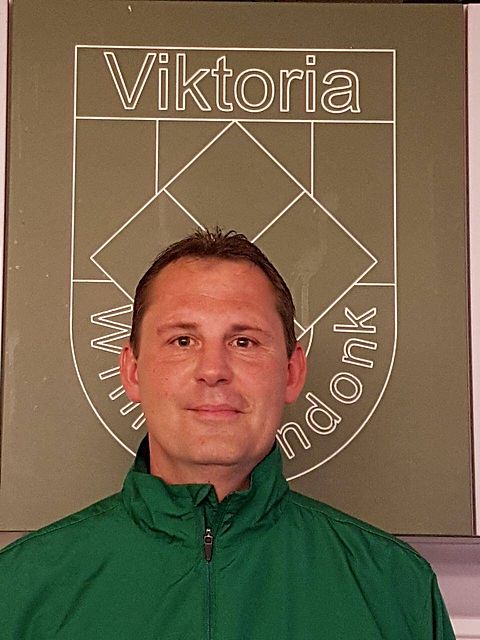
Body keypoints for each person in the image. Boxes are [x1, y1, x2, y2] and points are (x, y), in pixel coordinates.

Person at [0, 229, 454, 639]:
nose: (214, 370)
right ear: (133, 371)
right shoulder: (20, 589)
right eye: (183, 341)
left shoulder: (394, 590)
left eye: (244, 342)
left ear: (292, 372)